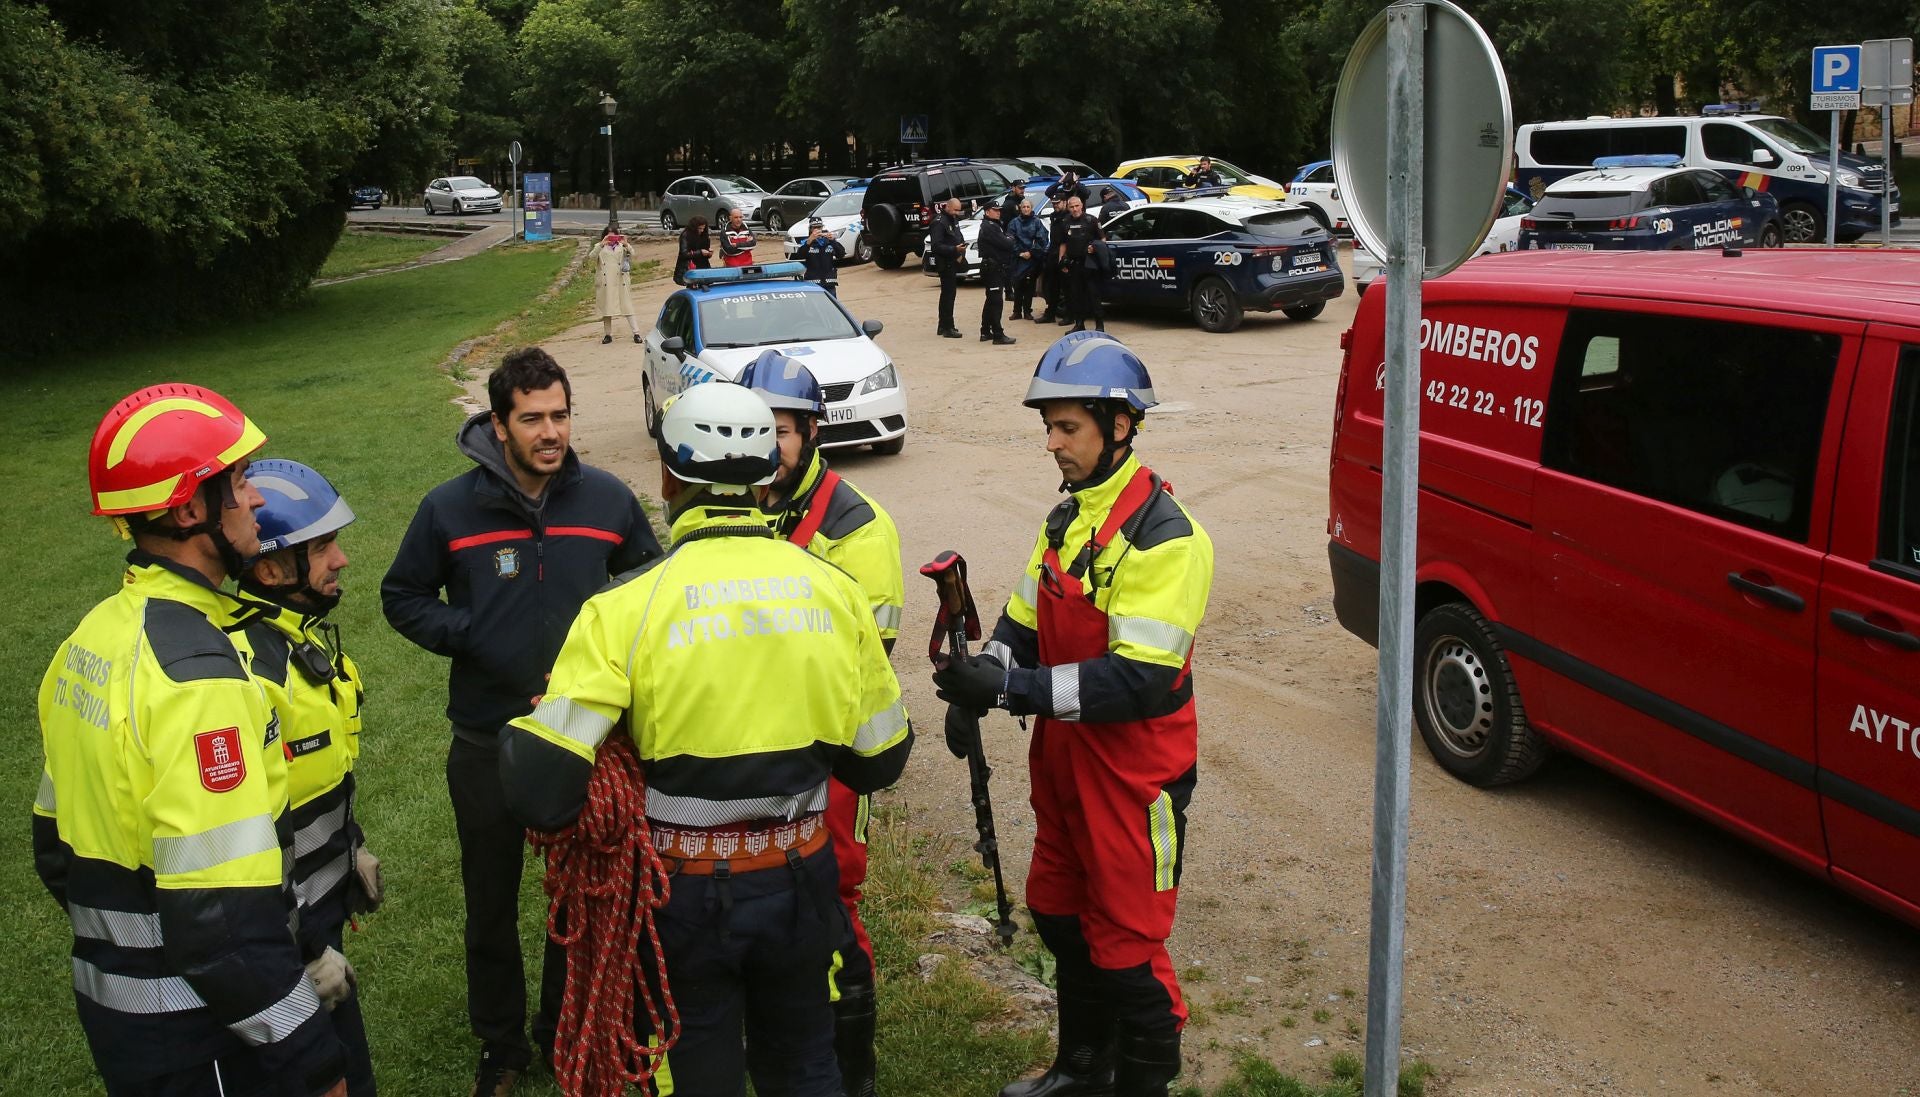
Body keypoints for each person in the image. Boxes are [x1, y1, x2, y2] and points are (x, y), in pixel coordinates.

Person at [498, 380, 913, 1097]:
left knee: (696, 1072)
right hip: (801, 877)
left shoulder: (623, 607)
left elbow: (542, 789)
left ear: (669, 474)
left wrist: (527, 727)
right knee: (806, 1066)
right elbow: (882, 757)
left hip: (681, 893)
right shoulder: (833, 590)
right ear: (762, 473)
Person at [36, 383, 348, 1097]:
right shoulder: (202, 678)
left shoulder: (88, 641)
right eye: (237, 482)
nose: (256, 500)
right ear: (187, 509)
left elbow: (54, 848)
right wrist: (314, 1062)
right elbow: (225, 929)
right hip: (208, 1037)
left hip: (124, 1020)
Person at [932, 333, 1213, 1097]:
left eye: (1067, 428)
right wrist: (980, 676)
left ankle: (1140, 1077)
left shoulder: (1166, 537)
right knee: (1056, 909)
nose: (1051, 443)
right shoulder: (1066, 520)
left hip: (1135, 778)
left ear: (1120, 425)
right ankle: (1081, 1067)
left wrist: (1010, 692)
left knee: (1128, 948)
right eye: (1048, 427)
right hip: (1064, 767)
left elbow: (1138, 682)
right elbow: (1022, 622)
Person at [381, 348, 662, 1097]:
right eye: (532, 418)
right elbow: (403, 595)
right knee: (491, 901)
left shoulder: (607, 501)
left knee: (578, 894)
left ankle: (562, 1023)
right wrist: (472, 633)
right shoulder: (449, 509)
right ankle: (501, 1045)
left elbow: (648, 588)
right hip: (485, 742)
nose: (550, 432)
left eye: (560, 415)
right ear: (499, 425)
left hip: (580, 746)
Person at [739, 351, 904, 1097]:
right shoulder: (747, 508)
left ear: (810, 432)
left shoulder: (857, 526)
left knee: (835, 897)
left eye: (778, 431)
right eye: (754, 431)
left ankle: (854, 1068)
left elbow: (864, 659)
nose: (765, 447)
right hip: (758, 743)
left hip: (831, 750)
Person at [240, 459, 379, 1097]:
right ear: (270, 568)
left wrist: (348, 849)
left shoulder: (295, 641)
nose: (342, 559)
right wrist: (302, 952)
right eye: (322, 546)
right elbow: (239, 852)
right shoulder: (251, 677)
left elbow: (304, 794)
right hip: (276, 957)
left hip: (308, 933)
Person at [1040, 172, 1090, 324]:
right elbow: (1049, 192)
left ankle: (1069, 315)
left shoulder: (1069, 215)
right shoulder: (1055, 213)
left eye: (1058, 203)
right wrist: (1060, 181)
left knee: (1067, 287)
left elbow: (1086, 193)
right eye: (1054, 204)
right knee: (1051, 285)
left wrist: (1076, 182)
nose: (1055, 205)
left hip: (1065, 252)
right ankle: (1050, 313)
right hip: (1053, 252)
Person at [1056, 195, 1107, 333]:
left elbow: (1102, 239)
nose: (1074, 209)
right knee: (1076, 295)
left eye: (1077, 206)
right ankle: (1079, 324)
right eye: (1071, 207)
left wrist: (1094, 248)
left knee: (1093, 294)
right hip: (1074, 264)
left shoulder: (1091, 220)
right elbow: (1063, 243)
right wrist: (1061, 261)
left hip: (1090, 264)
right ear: (1068, 208)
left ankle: (1099, 325)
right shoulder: (1065, 222)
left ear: (1082, 206)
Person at [977, 200, 1019, 345]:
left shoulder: (994, 225)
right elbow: (1007, 244)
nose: (998, 212)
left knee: (991, 300)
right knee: (996, 302)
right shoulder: (989, 227)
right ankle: (997, 334)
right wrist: (1011, 238)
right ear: (987, 212)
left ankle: (985, 331)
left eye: (999, 210)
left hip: (995, 267)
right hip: (992, 268)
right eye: (995, 210)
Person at [594, 228, 641, 345]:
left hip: (620, 279)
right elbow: (591, 256)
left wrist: (626, 243)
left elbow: (633, 254)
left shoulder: (622, 247)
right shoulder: (600, 247)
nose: (611, 240)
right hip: (606, 281)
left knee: (627, 306)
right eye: (609, 237)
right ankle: (607, 334)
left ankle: (636, 333)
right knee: (607, 308)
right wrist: (601, 244)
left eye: (613, 237)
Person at [928, 196, 965, 338]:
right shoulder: (939, 222)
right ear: (947, 207)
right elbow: (936, 246)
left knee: (950, 295)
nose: (957, 213)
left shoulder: (953, 219)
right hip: (945, 262)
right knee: (948, 296)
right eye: (955, 210)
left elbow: (958, 236)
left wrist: (961, 248)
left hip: (954, 260)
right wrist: (954, 250)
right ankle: (947, 327)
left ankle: (943, 326)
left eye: (959, 211)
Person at [1010, 197, 1050, 322]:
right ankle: (1016, 311)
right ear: (1020, 208)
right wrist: (1020, 253)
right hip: (1018, 259)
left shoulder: (1037, 222)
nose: (1026, 209)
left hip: (1033, 258)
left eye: (1028, 207)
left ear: (1031, 208)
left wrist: (1031, 252)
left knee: (1029, 286)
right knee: (1017, 285)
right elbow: (1010, 239)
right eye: (1024, 207)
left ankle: (1027, 311)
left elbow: (1042, 239)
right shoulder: (1014, 222)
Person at [797, 216, 847, 296]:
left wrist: (833, 241)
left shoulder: (829, 241)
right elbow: (799, 255)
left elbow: (841, 254)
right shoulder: (806, 242)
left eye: (819, 227)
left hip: (829, 283)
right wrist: (809, 242)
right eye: (815, 228)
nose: (817, 230)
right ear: (810, 229)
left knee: (832, 307)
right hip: (812, 284)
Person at [675, 216, 713, 286]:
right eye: (699, 228)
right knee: (693, 286)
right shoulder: (686, 235)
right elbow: (684, 253)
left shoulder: (704, 235)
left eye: (703, 228)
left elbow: (705, 251)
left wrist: (709, 253)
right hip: (690, 266)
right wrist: (700, 252)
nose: (701, 230)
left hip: (703, 266)